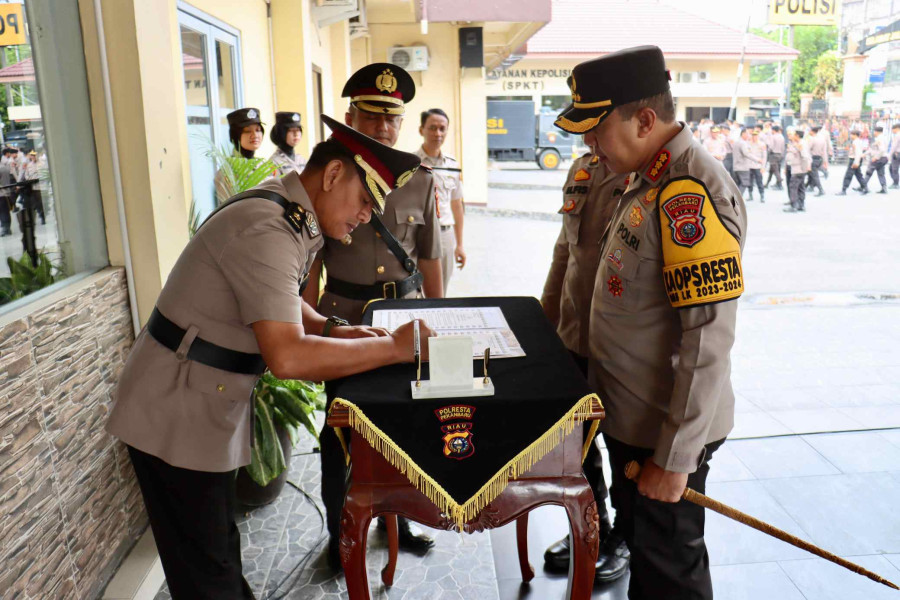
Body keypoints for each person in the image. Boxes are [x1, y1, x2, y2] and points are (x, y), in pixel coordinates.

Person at [106, 114, 431, 600]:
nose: (367, 216)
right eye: (365, 201)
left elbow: (277, 298)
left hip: (204, 400)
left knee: (217, 549)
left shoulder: (290, 213)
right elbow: (288, 357)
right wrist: (392, 347)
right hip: (175, 410)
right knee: (205, 568)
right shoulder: (268, 227)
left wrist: (333, 329)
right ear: (334, 174)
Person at [554, 45, 746, 600]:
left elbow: (707, 338)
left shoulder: (690, 191)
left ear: (644, 120)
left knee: (669, 573)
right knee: (646, 553)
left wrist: (675, 458)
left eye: (597, 130)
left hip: (663, 432)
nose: (590, 145)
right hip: (632, 419)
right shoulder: (642, 178)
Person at [303, 63, 443, 567]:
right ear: (350, 119)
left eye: (392, 118)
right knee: (340, 431)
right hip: (343, 320)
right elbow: (312, 262)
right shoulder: (331, 173)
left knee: (404, 425)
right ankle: (341, 531)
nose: (383, 128)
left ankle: (399, 520)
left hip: (405, 316)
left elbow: (430, 257)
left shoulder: (420, 180)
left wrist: (439, 318)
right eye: (372, 116)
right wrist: (305, 326)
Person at [540, 143, 631, 583]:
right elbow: (565, 250)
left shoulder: (642, 172)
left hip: (621, 344)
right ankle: (593, 525)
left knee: (622, 441)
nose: (588, 135)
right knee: (577, 441)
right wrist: (544, 318)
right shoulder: (583, 169)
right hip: (575, 331)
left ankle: (626, 536)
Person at [416, 108, 465, 295]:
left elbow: (456, 205)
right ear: (421, 130)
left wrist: (459, 245)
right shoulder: (411, 163)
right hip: (416, 234)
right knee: (414, 289)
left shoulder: (452, 165)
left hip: (444, 234)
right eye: (432, 128)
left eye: (442, 129)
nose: (438, 133)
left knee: (440, 291)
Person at [215, 107, 265, 204]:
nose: (255, 135)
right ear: (235, 135)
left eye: (258, 130)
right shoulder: (227, 172)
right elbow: (231, 208)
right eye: (247, 131)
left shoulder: (265, 166)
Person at [269, 111, 306, 177]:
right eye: (291, 130)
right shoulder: (274, 162)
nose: (296, 134)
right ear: (281, 132)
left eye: (298, 130)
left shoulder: (301, 160)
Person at [785, 129, 811, 212]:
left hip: (798, 169)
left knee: (793, 187)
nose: (793, 136)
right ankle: (801, 205)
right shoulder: (800, 143)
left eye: (794, 135)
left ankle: (794, 206)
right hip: (799, 169)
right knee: (800, 187)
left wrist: (804, 168)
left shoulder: (801, 144)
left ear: (797, 136)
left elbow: (805, 156)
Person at [839, 130, 868, 196]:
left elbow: (858, 153)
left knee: (848, 175)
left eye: (851, 134)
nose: (850, 136)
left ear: (855, 135)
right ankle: (865, 188)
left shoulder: (856, 142)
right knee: (858, 175)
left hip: (854, 159)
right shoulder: (859, 141)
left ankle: (844, 190)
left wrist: (856, 163)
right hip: (857, 159)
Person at [863, 125, 889, 194]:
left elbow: (881, 149)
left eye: (874, 131)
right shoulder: (884, 137)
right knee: (881, 172)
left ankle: (863, 186)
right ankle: (884, 188)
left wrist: (876, 157)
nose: (874, 133)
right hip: (884, 157)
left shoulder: (879, 139)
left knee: (869, 172)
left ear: (877, 132)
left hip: (879, 158)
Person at [732, 128, 753, 200]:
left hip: (736, 167)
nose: (748, 135)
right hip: (743, 167)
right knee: (744, 183)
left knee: (738, 184)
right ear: (743, 134)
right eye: (747, 134)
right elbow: (746, 153)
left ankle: (734, 200)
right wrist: (757, 159)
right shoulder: (743, 143)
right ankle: (737, 200)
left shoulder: (736, 142)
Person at [806, 126, 827, 196]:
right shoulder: (822, 139)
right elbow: (824, 152)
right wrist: (825, 161)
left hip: (813, 159)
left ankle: (821, 190)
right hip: (819, 159)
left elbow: (807, 150)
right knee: (811, 174)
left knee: (815, 176)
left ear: (812, 131)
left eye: (810, 131)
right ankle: (809, 186)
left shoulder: (812, 139)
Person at [748, 129, 767, 203]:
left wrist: (763, 167)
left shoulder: (762, 144)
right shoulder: (748, 144)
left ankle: (762, 196)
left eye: (755, 135)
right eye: (753, 135)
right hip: (750, 166)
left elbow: (764, 156)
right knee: (749, 181)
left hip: (758, 166)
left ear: (758, 136)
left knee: (759, 181)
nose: (754, 137)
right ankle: (750, 195)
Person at [765, 124, 785, 189]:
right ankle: (767, 183)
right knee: (772, 170)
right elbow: (783, 147)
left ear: (773, 130)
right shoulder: (782, 137)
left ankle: (779, 179)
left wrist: (768, 151)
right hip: (779, 154)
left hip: (773, 154)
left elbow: (771, 146)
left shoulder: (773, 137)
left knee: (775, 169)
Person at [889, 123, 900, 189]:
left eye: (893, 129)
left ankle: (895, 183)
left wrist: (890, 155)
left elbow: (894, 146)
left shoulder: (897, 135)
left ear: (897, 128)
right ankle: (895, 182)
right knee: (893, 168)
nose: (892, 131)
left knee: (893, 169)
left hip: (897, 153)